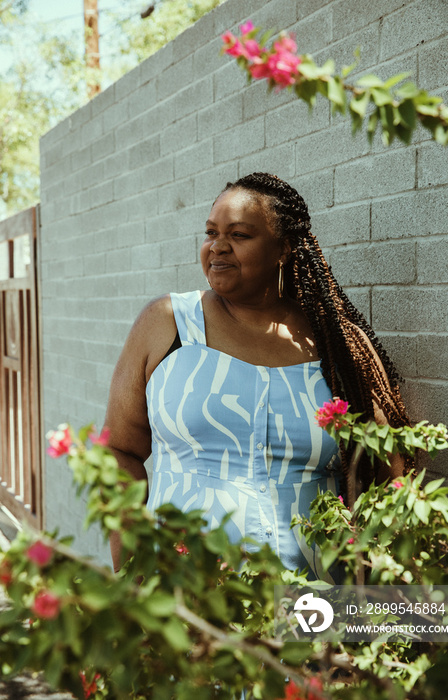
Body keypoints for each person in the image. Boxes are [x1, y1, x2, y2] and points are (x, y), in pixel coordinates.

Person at [105, 172, 410, 577]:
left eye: (240, 235)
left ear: (283, 248)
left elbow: (388, 471)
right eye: (211, 232)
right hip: (185, 595)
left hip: (312, 602)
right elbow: (118, 451)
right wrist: (131, 565)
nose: (218, 246)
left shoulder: (335, 344)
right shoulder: (168, 325)